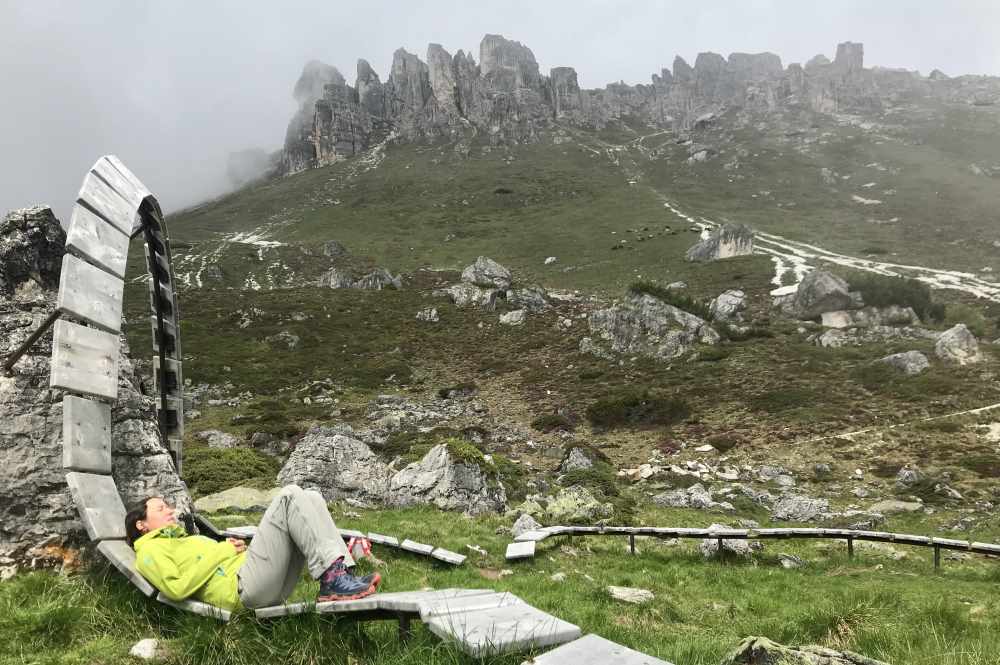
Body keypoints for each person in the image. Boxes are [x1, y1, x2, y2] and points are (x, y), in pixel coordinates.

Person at [126, 485, 380, 611]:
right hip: (242, 591)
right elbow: (176, 588)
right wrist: (222, 551)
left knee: (311, 496)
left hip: (255, 579)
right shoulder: (149, 552)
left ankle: (339, 575)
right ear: (142, 525)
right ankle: (334, 580)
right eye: (161, 509)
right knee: (289, 495)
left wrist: (233, 550)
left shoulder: (181, 539)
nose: (170, 510)